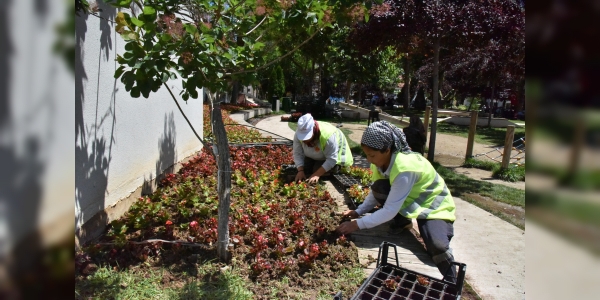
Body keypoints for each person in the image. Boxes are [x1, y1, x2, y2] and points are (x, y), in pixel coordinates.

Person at [335, 121, 457, 282]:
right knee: (381, 186)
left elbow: (389, 210)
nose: (369, 160)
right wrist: (358, 211)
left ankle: (452, 280)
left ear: (387, 150)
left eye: (372, 155)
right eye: (366, 154)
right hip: (409, 202)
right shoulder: (380, 163)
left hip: (434, 207)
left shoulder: (405, 166)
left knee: (437, 245)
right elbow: (376, 192)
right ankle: (402, 222)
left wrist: (356, 224)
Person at [293, 114, 354, 184]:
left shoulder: (328, 136)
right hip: (316, 155)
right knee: (305, 169)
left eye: (307, 137)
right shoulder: (298, 134)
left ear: (313, 129)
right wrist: (300, 171)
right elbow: (297, 153)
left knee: (316, 170)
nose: (305, 140)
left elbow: (332, 159)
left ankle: (336, 168)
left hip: (334, 157)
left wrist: (316, 174)